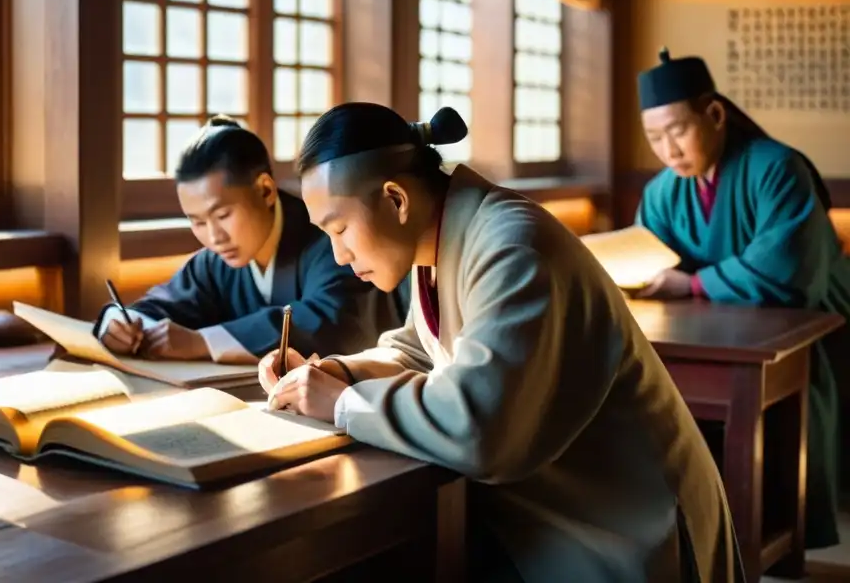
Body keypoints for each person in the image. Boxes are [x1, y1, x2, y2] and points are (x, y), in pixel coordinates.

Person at [259, 102, 744, 582]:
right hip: (546, 510)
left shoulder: (511, 246)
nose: (339, 255)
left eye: (340, 229)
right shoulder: (441, 241)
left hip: (622, 523)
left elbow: (481, 430)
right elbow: (417, 352)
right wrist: (334, 375)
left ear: (396, 199)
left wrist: (344, 403)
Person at [633, 47, 848, 550]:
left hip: (807, 318)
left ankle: (781, 529)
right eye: (654, 137)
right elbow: (649, 254)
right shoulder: (663, 192)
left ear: (714, 114)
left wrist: (693, 284)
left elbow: (789, 268)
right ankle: (707, 528)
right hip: (716, 329)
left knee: (796, 416)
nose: (668, 149)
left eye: (677, 130)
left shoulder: (777, 168)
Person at [94, 116, 406, 363]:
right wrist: (118, 323)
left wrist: (202, 342)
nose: (214, 236)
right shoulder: (216, 260)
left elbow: (331, 318)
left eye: (223, 215)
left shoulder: (329, 234)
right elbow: (158, 307)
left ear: (265, 190)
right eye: (197, 221)